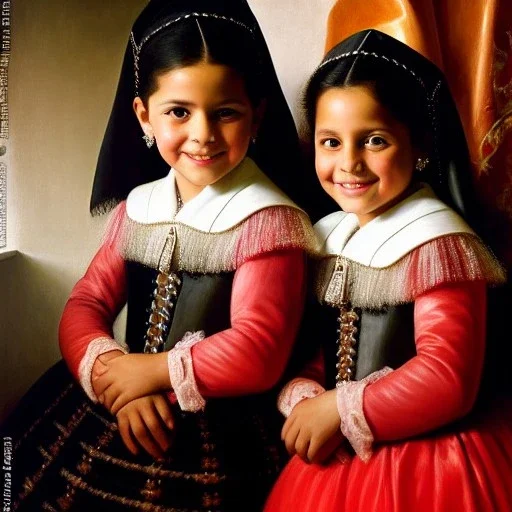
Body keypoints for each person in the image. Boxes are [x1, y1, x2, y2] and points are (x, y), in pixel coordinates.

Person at [3, 1, 316, 510]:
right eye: (178, 112)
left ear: (257, 114)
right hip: (122, 395)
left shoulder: (268, 220)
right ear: (143, 115)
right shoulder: (137, 208)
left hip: (221, 420)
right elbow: (86, 303)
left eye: (226, 113)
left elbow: (259, 350)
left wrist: (149, 373)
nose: (203, 135)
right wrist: (113, 378)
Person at [264, 29, 512, 512]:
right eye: (330, 142)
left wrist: (338, 407)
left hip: (431, 461)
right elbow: (329, 344)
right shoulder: (329, 235)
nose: (349, 163)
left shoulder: (439, 243)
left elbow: (447, 377)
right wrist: (306, 391)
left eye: (374, 140)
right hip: (339, 444)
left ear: (418, 144)